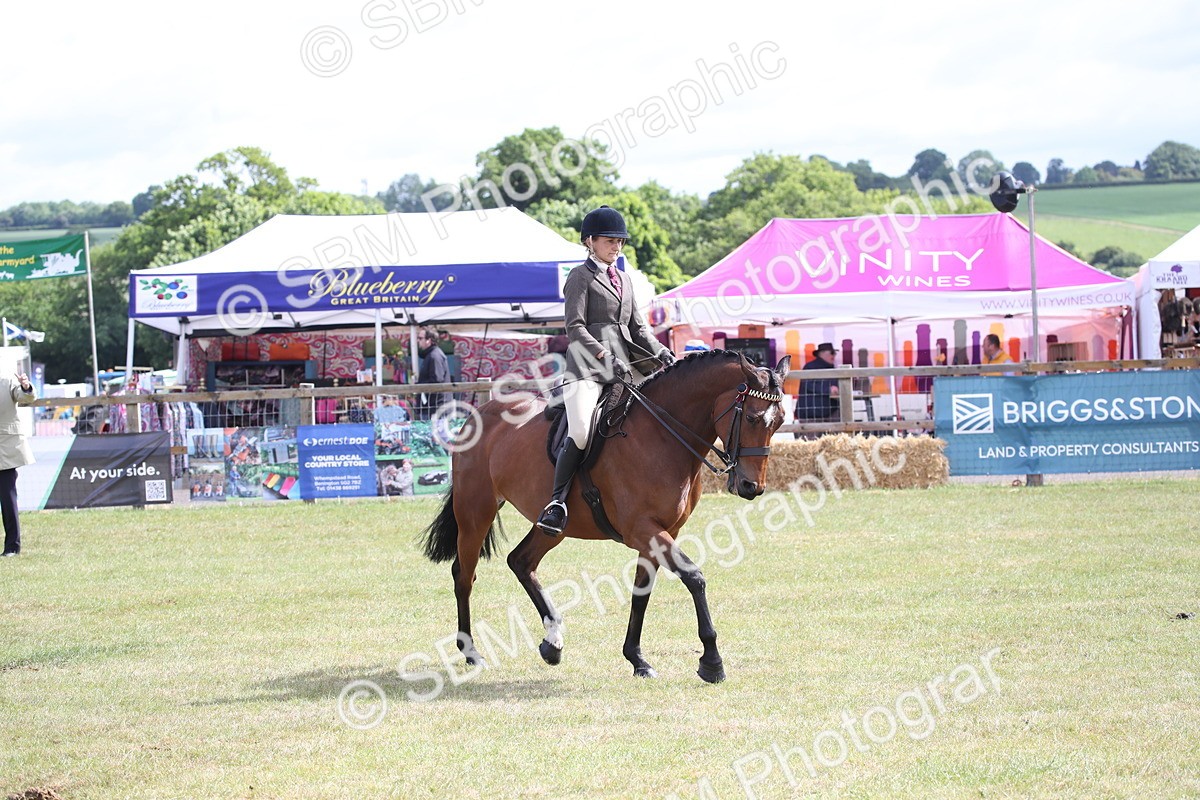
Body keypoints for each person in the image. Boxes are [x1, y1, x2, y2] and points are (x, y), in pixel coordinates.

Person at [536, 205, 676, 536]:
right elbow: (575, 327)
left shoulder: (625, 279)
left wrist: (661, 352)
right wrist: (604, 355)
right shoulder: (579, 277)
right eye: (610, 240)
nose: (617, 246)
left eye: (620, 241)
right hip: (587, 369)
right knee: (581, 431)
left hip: (626, 366)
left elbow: (638, 329)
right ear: (590, 241)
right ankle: (557, 503)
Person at [1, 371, 36, 557]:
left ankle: (12, 547)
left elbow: (26, 397)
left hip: (4, 450)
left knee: (8, 500)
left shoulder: (6, 381)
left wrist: (25, 386)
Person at [794, 343, 840, 436]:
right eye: (831, 352)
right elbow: (808, 384)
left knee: (834, 442)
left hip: (829, 413)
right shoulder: (810, 367)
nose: (834, 355)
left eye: (834, 353)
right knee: (811, 443)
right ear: (821, 353)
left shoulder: (833, 369)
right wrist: (828, 390)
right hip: (812, 415)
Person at [416, 326, 451, 420]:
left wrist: (418, 386)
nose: (418, 341)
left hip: (436, 408)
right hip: (433, 406)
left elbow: (436, 381)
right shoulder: (431, 355)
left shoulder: (434, 356)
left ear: (429, 340)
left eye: (420, 338)